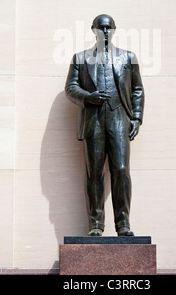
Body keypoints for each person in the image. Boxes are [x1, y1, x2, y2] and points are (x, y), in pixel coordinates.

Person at [65, 14, 144, 236]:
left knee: (120, 170)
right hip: (93, 121)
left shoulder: (128, 57)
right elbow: (70, 88)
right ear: (93, 30)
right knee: (94, 172)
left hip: (119, 118)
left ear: (115, 30)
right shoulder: (80, 58)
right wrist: (87, 96)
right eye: (101, 28)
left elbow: (137, 89)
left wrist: (136, 118)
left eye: (109, 28)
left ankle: (123, 224)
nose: (105, 32)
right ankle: (96, 224)